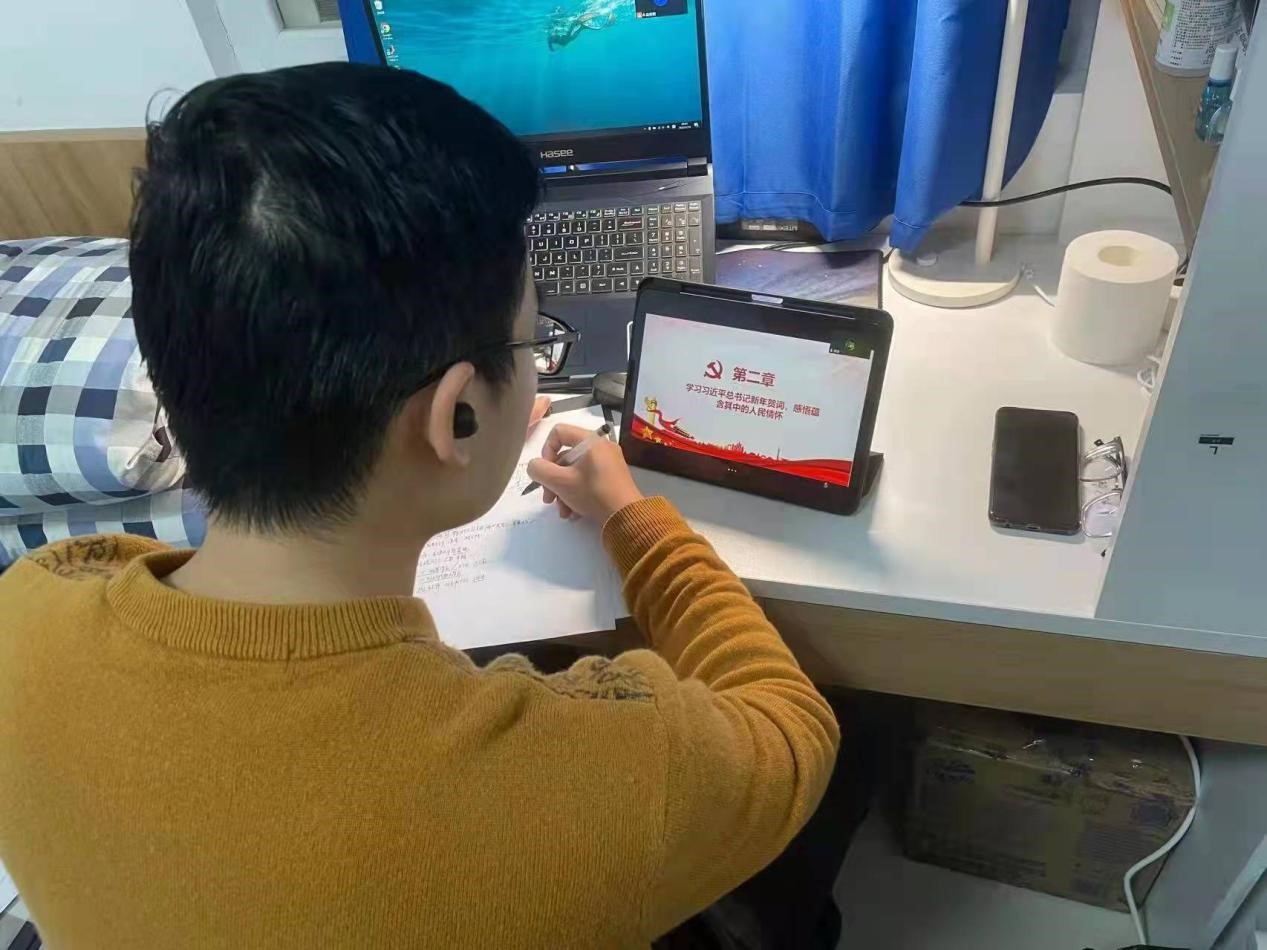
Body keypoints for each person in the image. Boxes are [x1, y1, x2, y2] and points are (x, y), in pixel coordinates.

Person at [0, 64, 841, 948]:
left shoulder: (28, 609)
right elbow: (789, 727)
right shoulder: (588, 786)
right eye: (534, 342)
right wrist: (634, 519)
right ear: (456, 415)